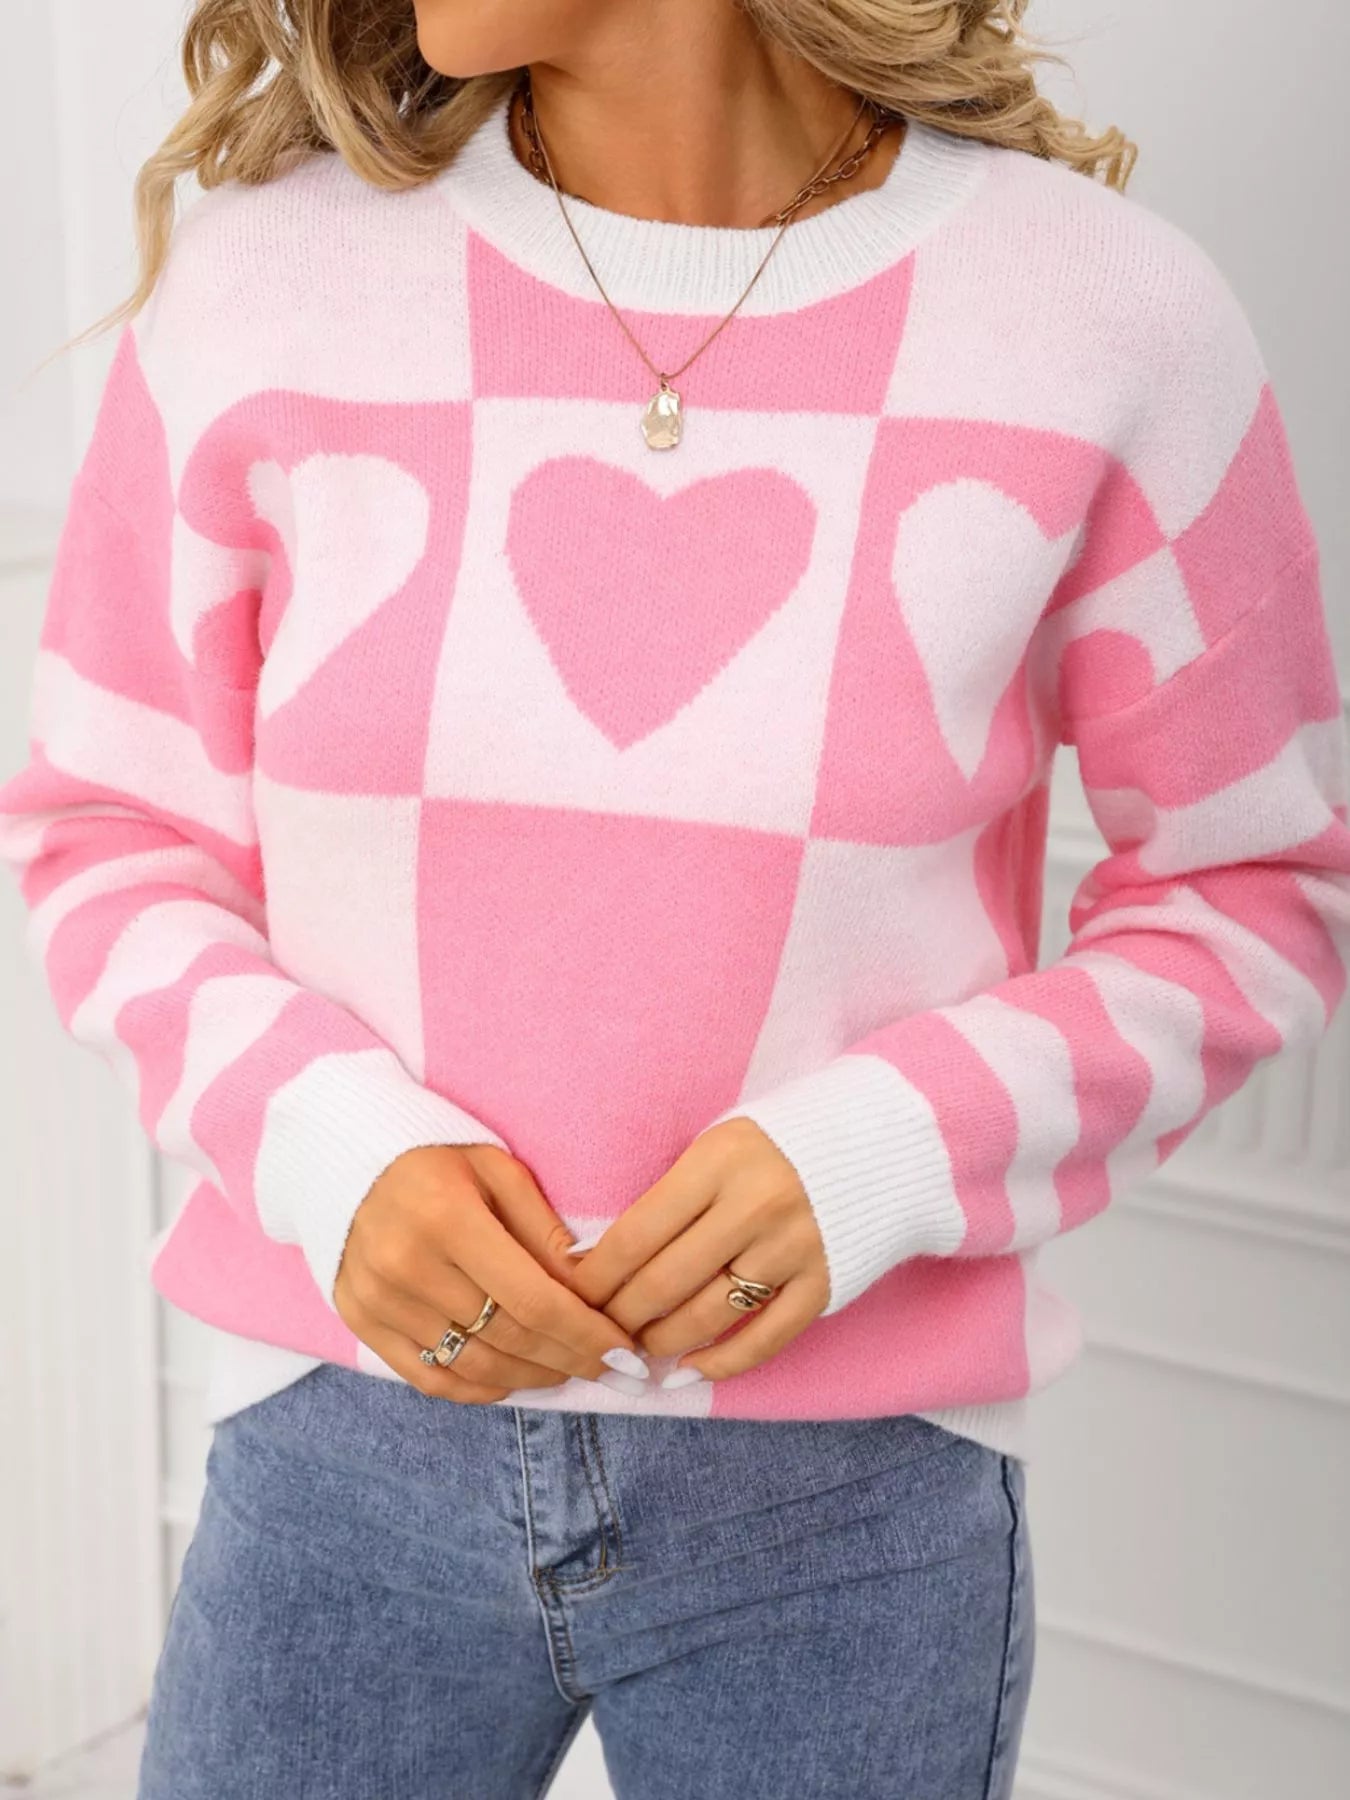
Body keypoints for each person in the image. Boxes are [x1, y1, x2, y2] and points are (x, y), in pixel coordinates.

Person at [4, 2, 1348, 1795]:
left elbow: (1253, 887)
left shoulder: (1107, 318)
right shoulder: (265, 288)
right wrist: (326, 1149)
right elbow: (109, 829)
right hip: (341, 1453)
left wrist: (889, 1149)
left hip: (847, 1504)